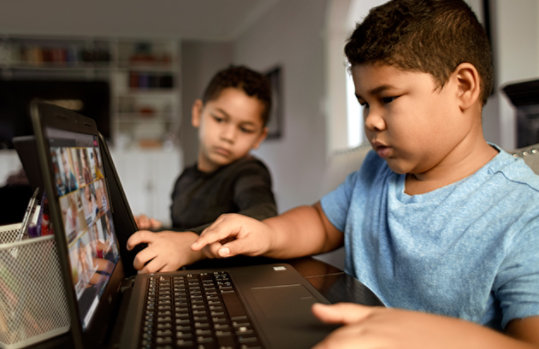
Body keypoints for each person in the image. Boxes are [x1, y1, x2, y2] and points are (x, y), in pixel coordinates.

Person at [191, 1, 539, 347]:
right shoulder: (376, 170)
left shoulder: (525, 211)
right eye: (364, 103)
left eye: (387, 98)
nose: (370, 120)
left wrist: (420, 334)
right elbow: (320, 222)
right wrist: (266, 233)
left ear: (463, 86)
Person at [127, 65, 277, 273]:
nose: (228, 136)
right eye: (219, 119)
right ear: (198, 113)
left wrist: (191, 244)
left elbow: (264, 216)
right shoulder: (185, 179)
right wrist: (156, 231)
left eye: (245, 129)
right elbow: (183, 229)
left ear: (259, 137)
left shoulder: (249, 172)